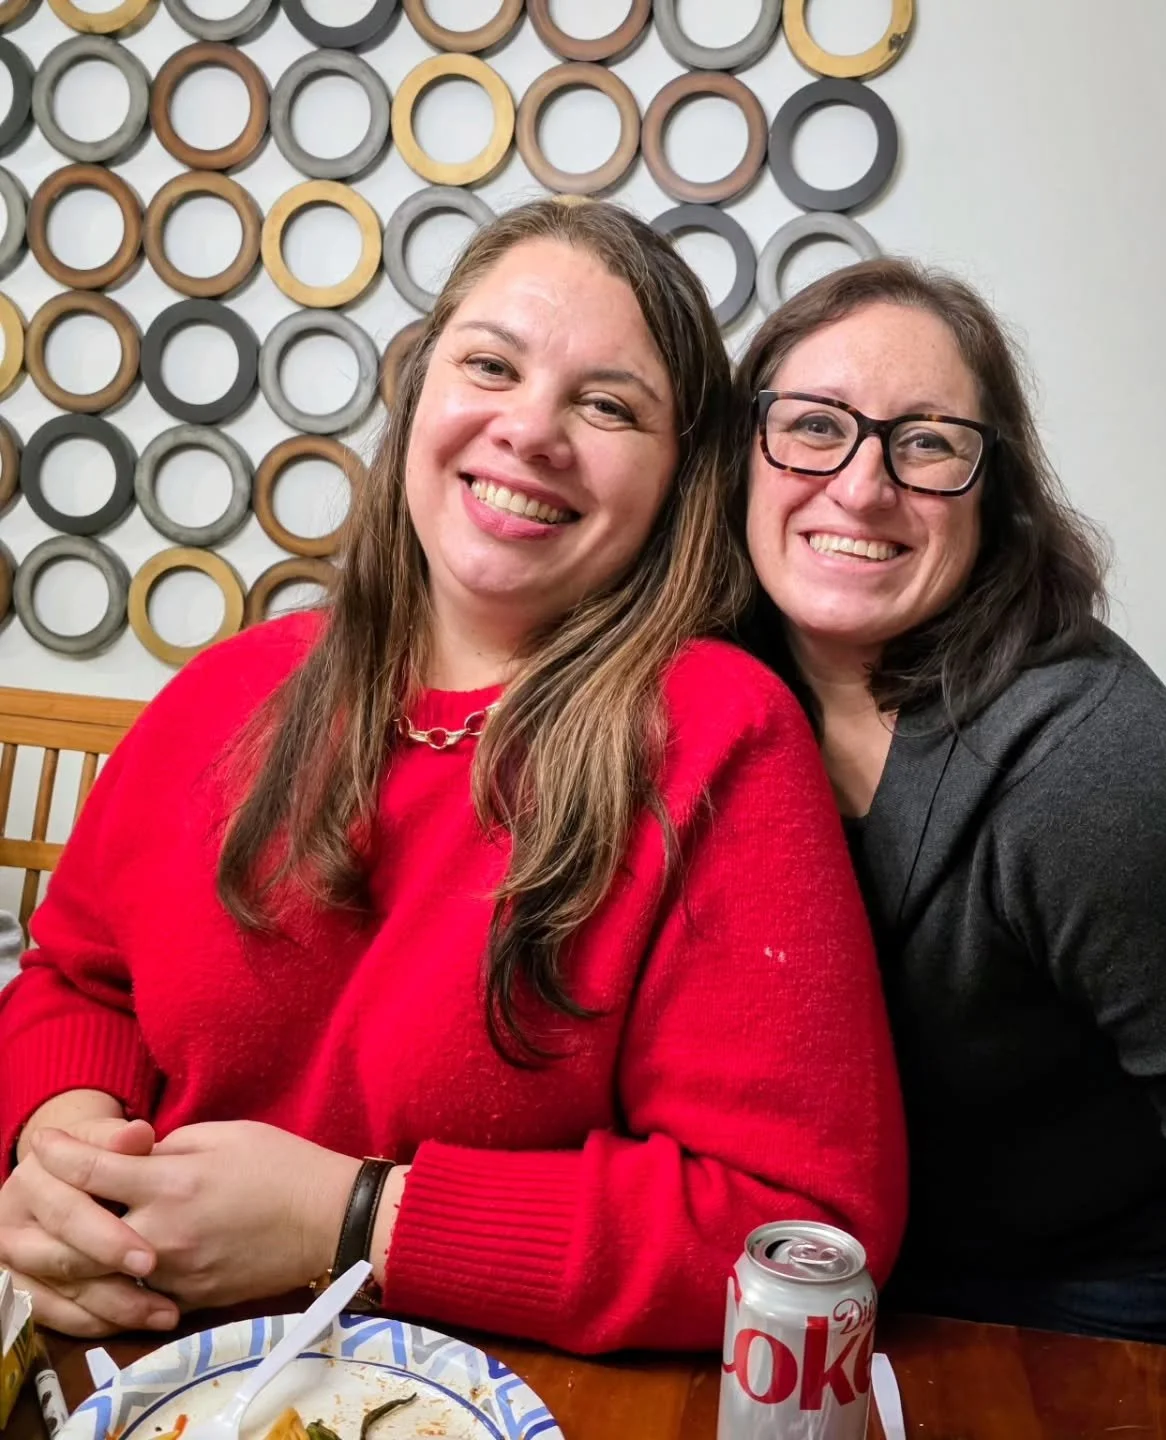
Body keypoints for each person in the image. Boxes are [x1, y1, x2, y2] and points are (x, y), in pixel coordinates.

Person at [0, 200, 907, 1351]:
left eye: (609, 405)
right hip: (149, 1362)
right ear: (421, 390)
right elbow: (79, 981)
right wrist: (63, 1152)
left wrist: (351, 1219)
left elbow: (801, 1231)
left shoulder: (721, 734)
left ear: (680, 478)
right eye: (491, 365)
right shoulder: (226, 692)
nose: (530, 430)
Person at [732, 258, 1166, 1439]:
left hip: (1052, 1287)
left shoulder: (1092, 761)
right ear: (741, 456)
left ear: (994, 493)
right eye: (815, 427)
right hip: (791, 1253)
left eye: (926, 444)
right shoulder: (694, 678)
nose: (862, 486)